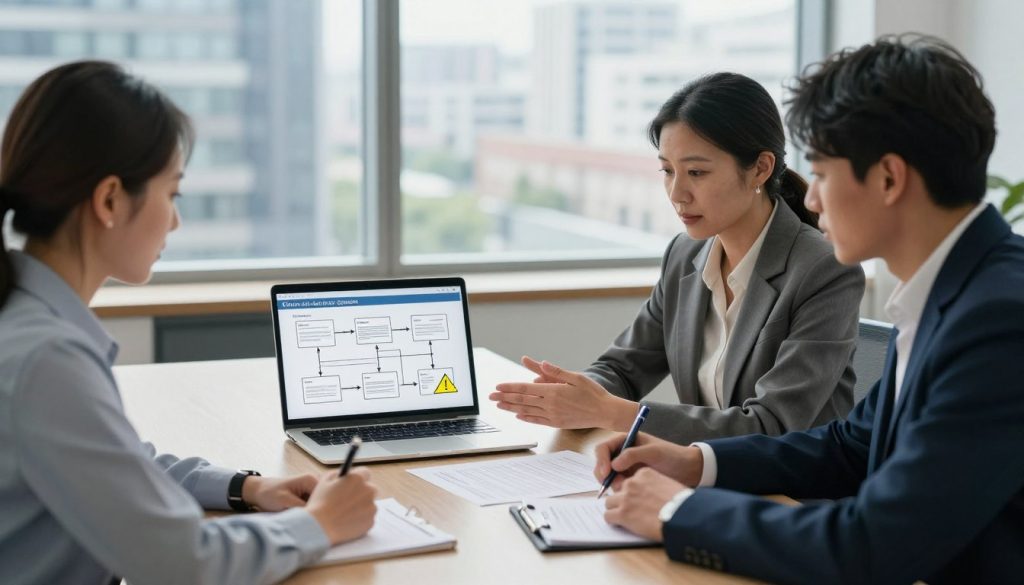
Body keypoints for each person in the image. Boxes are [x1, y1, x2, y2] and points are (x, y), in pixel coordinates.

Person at [596, 35, 1023, 584]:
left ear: (889, 178)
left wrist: (678, 511)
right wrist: (696, 463)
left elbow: (875, 544)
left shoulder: (999, 318)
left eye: (821, 174)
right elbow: (850, 447)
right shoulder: (949, 292)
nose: (812, 199)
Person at [0, 61, 378, 585]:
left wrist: (245, 487)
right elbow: (180, 561)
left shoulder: (25, 320)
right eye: (171, 194)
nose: (175, 220)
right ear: (109, 199)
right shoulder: (46, 358)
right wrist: (319, 525)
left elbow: (117, 467)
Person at [490, 73, 865, 444]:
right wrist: (577, 396)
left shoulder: (824, 269)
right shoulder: (685, 255)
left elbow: (771, 425)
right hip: (706, 477)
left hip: (793, 494)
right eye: (667, 171)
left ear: (760, 169)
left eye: (696, 172)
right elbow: (623, 368)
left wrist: (609, 411)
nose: (677, 193)